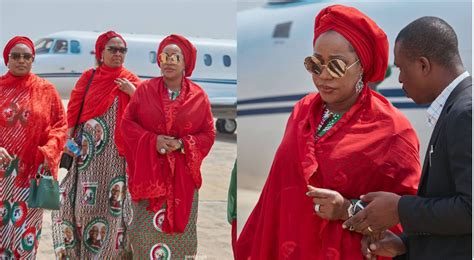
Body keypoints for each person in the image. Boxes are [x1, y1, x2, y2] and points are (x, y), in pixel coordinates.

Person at [236, 5, 422, 259]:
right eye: (314, 64)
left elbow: (406, 221)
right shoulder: (302, 113)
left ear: (362, 66)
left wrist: (346, 209)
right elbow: (274, 194)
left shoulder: (392, 131)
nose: (323, 76)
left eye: (336, 66)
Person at [343, 16, 472, 260]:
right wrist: (406, 245)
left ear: (424, 66)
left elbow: (471, 209)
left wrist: (399, 209)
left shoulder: (465, 113)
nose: (400, 79)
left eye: (401, 68)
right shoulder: (454, 110)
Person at [121, 34, 215, 258]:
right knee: (141, 234)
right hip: (149, 177)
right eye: (165, 55)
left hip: (182, 179)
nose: (169, 61)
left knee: (180, 240)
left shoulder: (199, 97)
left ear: (186, 63)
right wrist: (153, 141)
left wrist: (183, 144)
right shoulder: (144, 91)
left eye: (176, 56)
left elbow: (208, 134)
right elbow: (127, 125)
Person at [51, 31, 141, 259]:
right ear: (101, 53)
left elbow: (148, 109)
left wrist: (133, 92)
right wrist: (68, 142)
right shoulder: (88, 78)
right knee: (82, 207)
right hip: (86, 157)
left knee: (114, 208)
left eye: (122, 50)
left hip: (117, 160)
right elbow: (73, 110)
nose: (118, 54)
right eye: (112, 49)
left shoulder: (131, 80)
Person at [0, 36, 67, 258]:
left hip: (31, 175)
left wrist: (48, 150)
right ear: (7, 60)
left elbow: (60, 126)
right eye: (15, 56)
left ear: (32, 60)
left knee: (24, 235)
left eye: (26, 56)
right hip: (1, 174)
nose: (21, 60)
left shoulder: (46, 90)